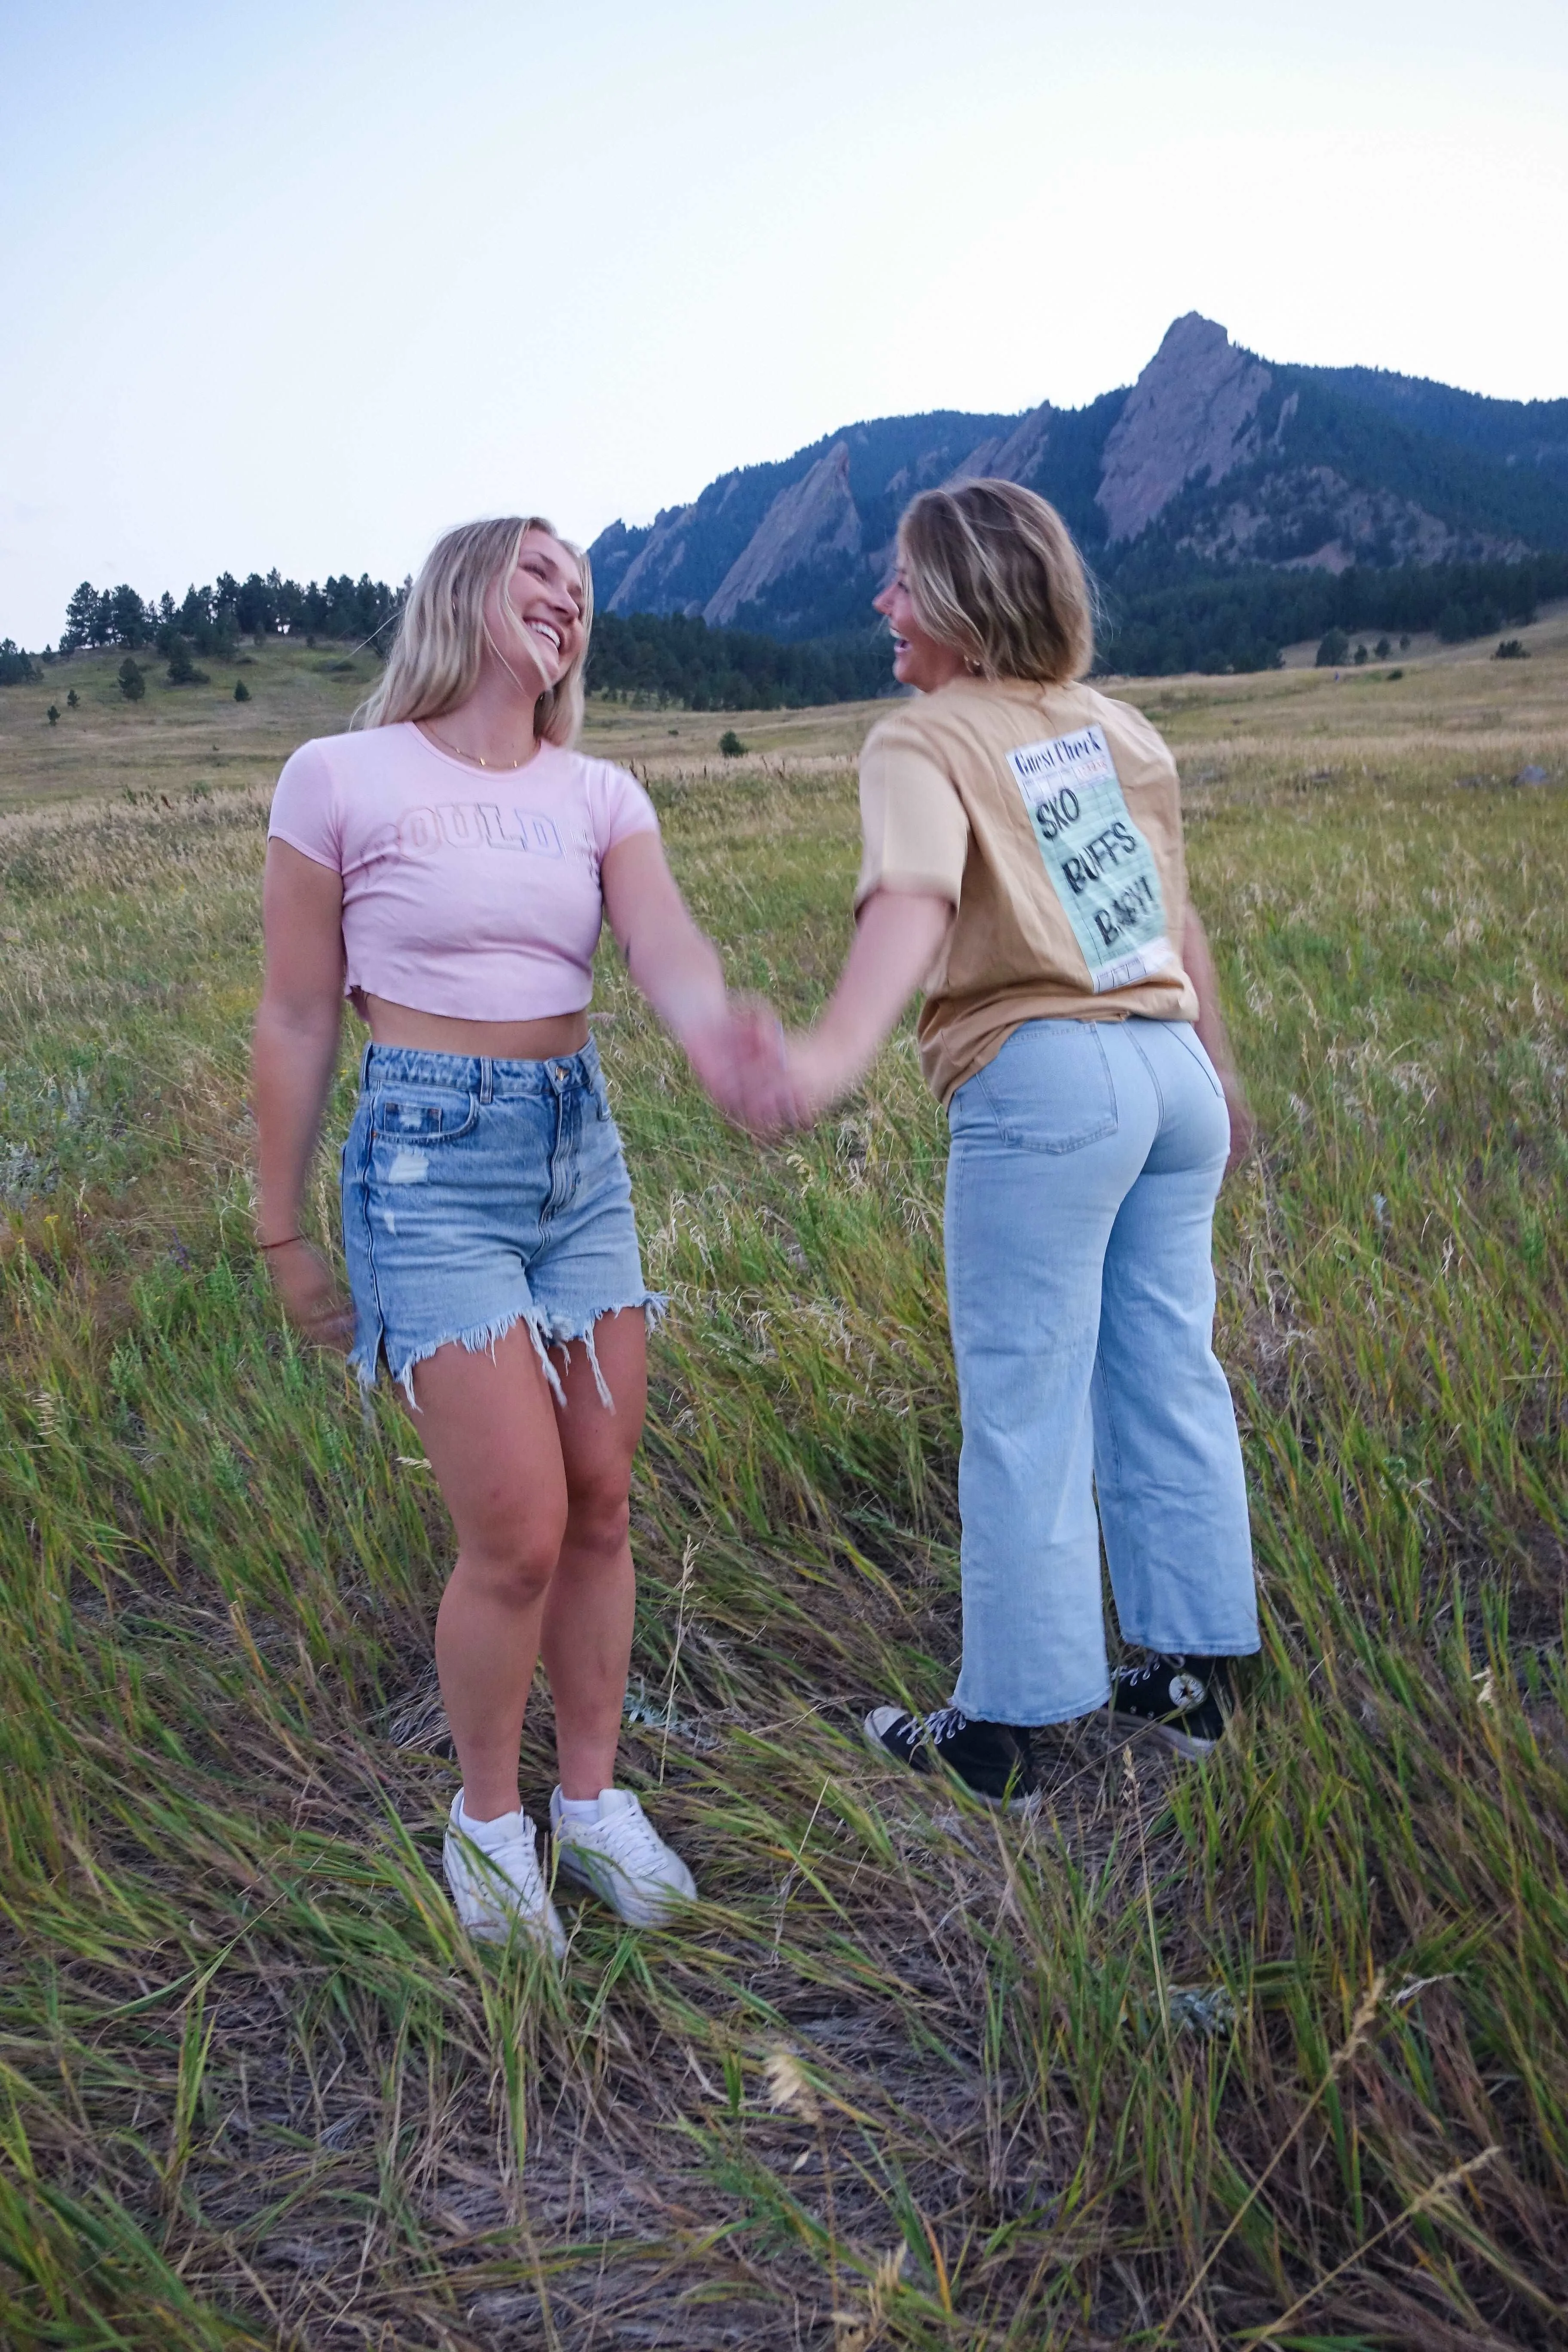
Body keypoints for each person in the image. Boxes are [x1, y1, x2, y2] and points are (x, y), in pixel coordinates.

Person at [253, 515, 782, 1951]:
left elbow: (663, 943)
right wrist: (281, 1227)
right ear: (464, 589)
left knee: (604, 1499)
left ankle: (591, 1804)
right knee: (519, 1534)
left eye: (584, 591)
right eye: (538, 571)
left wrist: (718, 1038)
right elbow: (301, 1011)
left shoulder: (597, 791)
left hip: (577, 1153)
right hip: (425, 1167)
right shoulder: (339, 777)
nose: (567, 599)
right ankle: (488, 1824)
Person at [771, 480, 1260, 1804]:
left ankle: (1003, 1734)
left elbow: (917, 898)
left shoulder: (922, 738)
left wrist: (826, 1057)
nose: (884, 604)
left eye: (905, 582)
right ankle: (1193, 1683)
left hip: (1047, 1083)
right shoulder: (1113, 728)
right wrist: (1217, 1067)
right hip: (1169, 1076)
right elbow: (1167, 916)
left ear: (969, 602)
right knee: (1169, 1370)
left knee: (1024, 1403)